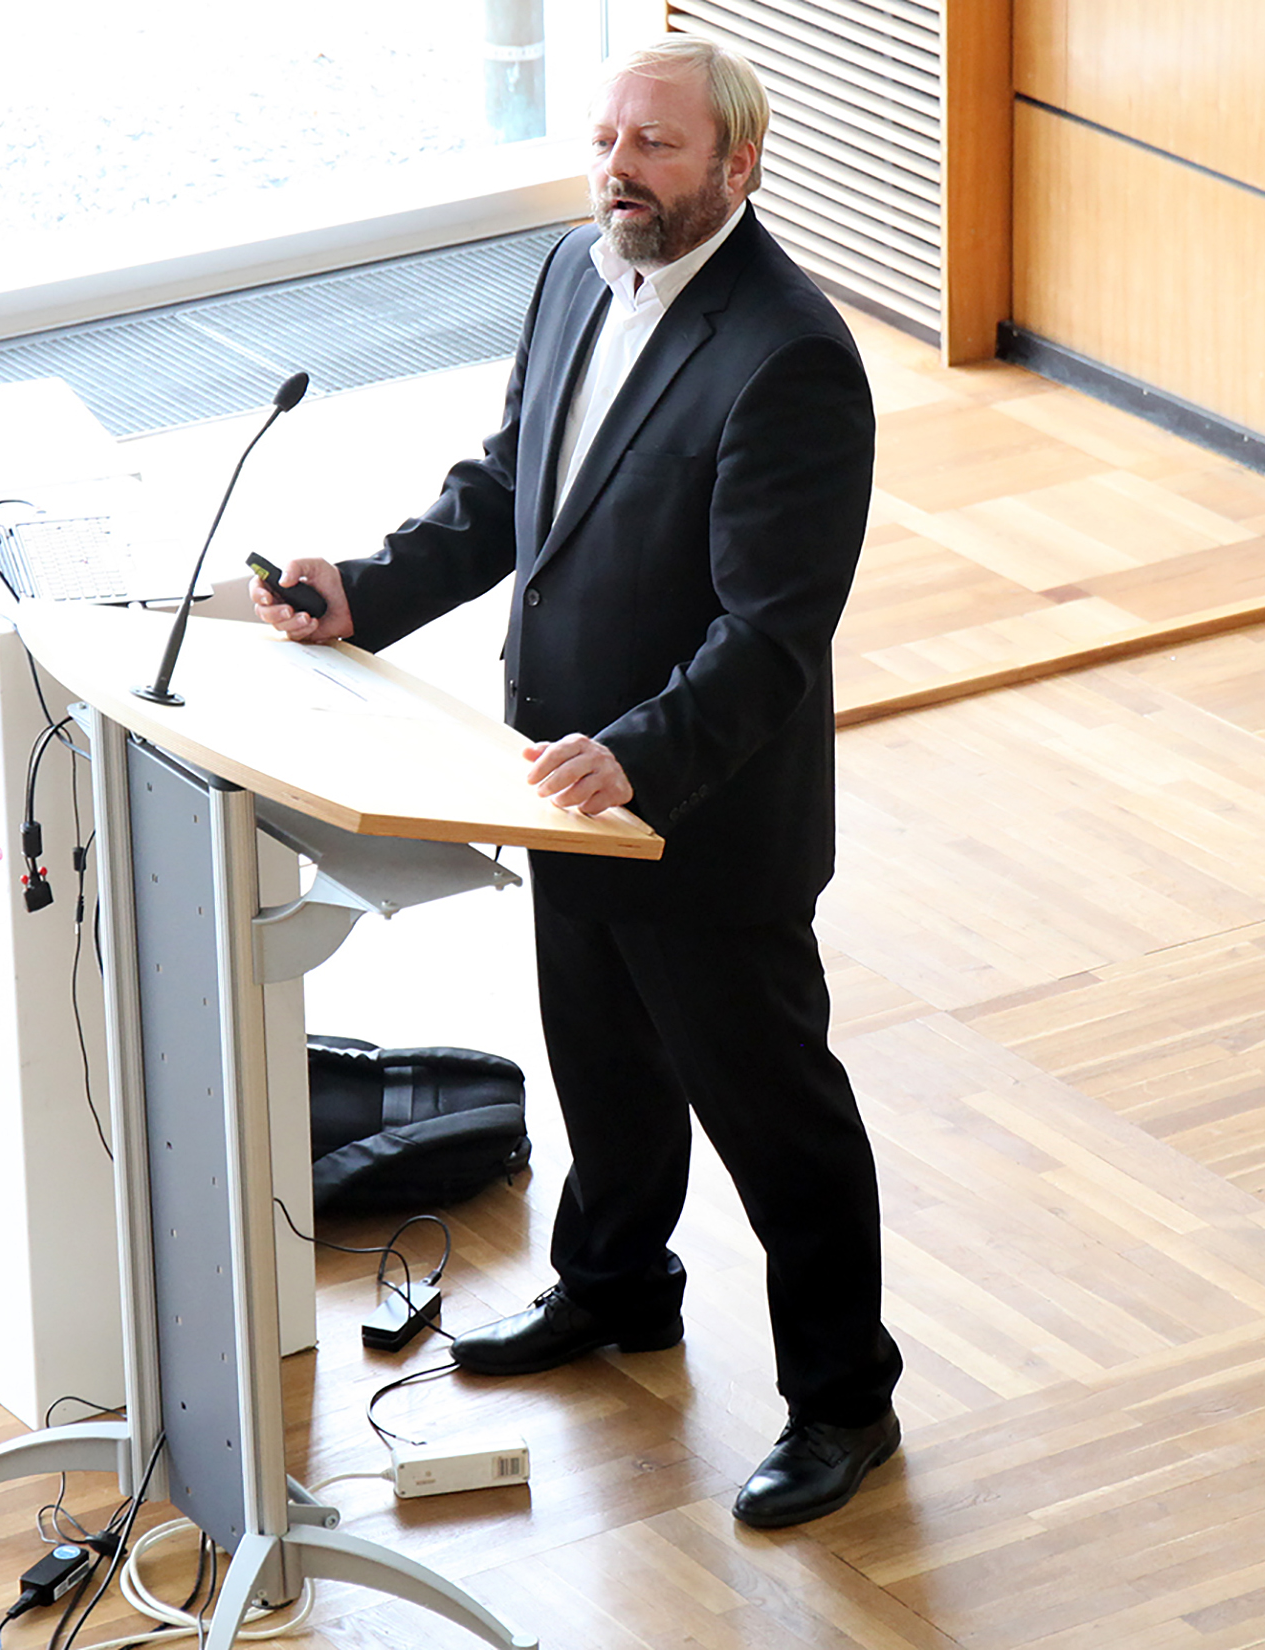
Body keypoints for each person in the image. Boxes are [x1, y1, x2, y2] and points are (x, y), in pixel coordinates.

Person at [250, 35, 901, 1528]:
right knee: (600, 1059)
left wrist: (641, 756)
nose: (620, 167)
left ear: (739, 164)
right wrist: (368, 588)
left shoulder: (789, 354)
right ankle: (615, 1285)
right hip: (557, 783)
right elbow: (511, 488)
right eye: (609, 136)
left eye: (657, 146)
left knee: (776, 1116)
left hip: (697, 816)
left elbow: (773, 630)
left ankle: (846, 1397)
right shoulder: (570, 273)